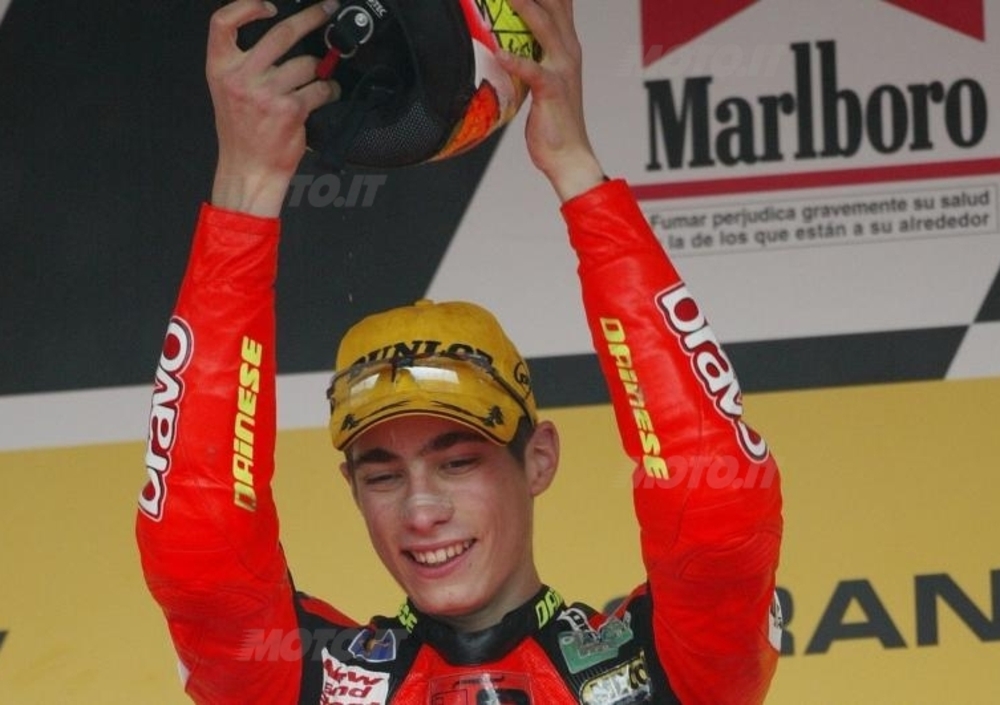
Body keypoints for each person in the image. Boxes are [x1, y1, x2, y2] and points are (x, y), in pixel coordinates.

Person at [136, 0, 784, 703]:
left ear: (538, 458)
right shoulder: (308, 683)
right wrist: (246, 192)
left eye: (458, 461)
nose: (421, 511)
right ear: (351, 487)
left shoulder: (659, 672)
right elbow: (199, 551)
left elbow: (717, 505)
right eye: (383, 475)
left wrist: (577, 173)